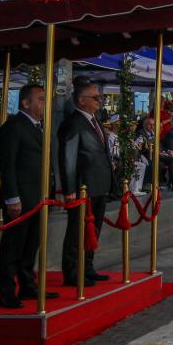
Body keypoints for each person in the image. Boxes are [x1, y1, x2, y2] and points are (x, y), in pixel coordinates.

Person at [0, 83, 58, 308]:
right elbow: (8, 165)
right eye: (40, 99)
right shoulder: (15, 126)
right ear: (25, 102)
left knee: (32, 244)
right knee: (13, 246)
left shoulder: (37, 126)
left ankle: (28, 284)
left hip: (38, 197)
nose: (44, 103)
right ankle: (7, 291)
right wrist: (12, 197)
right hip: (21, 197)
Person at [57, 81, 116, 286]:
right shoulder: (73, 123)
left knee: (94, 230)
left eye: (100, 97)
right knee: (76, 231)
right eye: (96, 97)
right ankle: (72, 271)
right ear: (82, 101)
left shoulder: (95, 120)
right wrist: (69, 189)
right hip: (83, 187)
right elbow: (68, 158)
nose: (100, 101)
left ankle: (87, 266)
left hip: (99, 184)